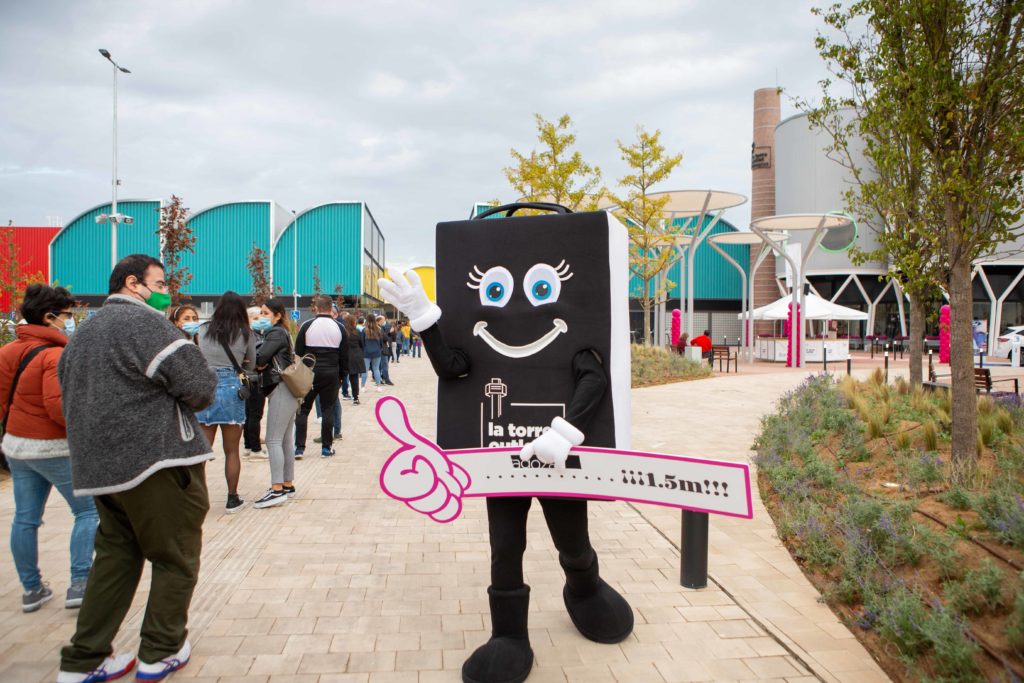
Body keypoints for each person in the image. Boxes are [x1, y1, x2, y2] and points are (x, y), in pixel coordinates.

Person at [56, 254, 217, 683]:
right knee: (174, 555)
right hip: (156, 463)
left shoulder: (82, 333)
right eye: (159, 282)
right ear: (133, 283)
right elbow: (200, 387)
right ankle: (161, 651)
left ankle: (83, 659)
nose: (165, 291)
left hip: (101, 469)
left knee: (115, 558)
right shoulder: (146, 325)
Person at [0, 284, 97, 613]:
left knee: (25, 519)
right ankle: (80, 582)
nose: (69, 322)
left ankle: (31, 589)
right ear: (49, 317)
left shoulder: (8, 351)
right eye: (67, 316)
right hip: (55, 448)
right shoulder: (55, 354)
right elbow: (59, 409)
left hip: (17, 447)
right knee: (88, 512)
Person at [195, 291, 256, 513]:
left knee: (202, 451)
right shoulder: (246, 333)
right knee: (232, 450)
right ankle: (232, 499)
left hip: (206, 388)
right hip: (232, 389)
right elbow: (250, 366)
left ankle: (198, 501)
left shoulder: (202, 330)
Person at [252, 298, 297, 509]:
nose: (261, 318)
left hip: (280, 388)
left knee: (272, 440)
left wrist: (259, 363)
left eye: (265, 313)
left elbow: (259, 359)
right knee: (285, 439)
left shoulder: (275, 333)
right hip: (289, 389)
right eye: (260, 313)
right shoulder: (282, 332)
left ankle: (277, 489)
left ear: (277, 315)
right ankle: (287, 484)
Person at [294, 294, 346, 457]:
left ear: (315, 308)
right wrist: (341, 376)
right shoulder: (339, 327)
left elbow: (298, 352)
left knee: (303, 410)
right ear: (331, 308)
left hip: (310, 372)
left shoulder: (307, 325)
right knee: (328, 410)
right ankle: (326, 448)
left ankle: (299, 448)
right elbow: (345, 356)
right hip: (331, 372)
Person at [243, 306, 268, 459]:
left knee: (249, 415)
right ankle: (255, 449)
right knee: (255, 415)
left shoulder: (249, 335)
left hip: (247, 378)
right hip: (254, 378)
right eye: (256, 318)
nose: (261, 320)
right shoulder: (253, 336)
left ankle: (248, 444)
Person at [342, 313, 365, 406]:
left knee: (342, 377)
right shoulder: (358, 332)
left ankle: (344, 393)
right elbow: (362, 345)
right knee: (354, 378)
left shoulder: (343, 332)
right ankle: (355, 398)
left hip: (345, 356)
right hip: (355, 357)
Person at [363, 315, 384, 391]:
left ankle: (363, 387)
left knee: (365, 370)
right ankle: (378, 386)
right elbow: (381, 342)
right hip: (377, 352)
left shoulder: (364, 330)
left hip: (366, 352)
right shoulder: (379, 329)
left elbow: (362, 342)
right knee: (376, 369)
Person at [378, 315, 396, 386]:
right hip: (383, 348)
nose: (384, 321)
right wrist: (389, 332)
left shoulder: (384, 326)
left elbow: (391, 336)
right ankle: (386, 379)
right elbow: (384, 337)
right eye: (383, 320)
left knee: (382, 365)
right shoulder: (379, 328)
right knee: (384, 365)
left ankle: (381, 378)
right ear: (380, 320)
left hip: (384, 348)